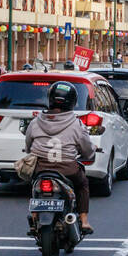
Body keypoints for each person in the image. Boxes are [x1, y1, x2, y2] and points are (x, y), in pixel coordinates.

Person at [24, 80, 96, 234]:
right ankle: (84, 221)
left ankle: (34, 215)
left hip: (40, 168)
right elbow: (87, 149)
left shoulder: (36, 122)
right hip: (67, 169)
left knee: (32, 184)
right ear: (72, 102)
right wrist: (89, 153)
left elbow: (28, 145)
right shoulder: (76, 124)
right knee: (82, 184)